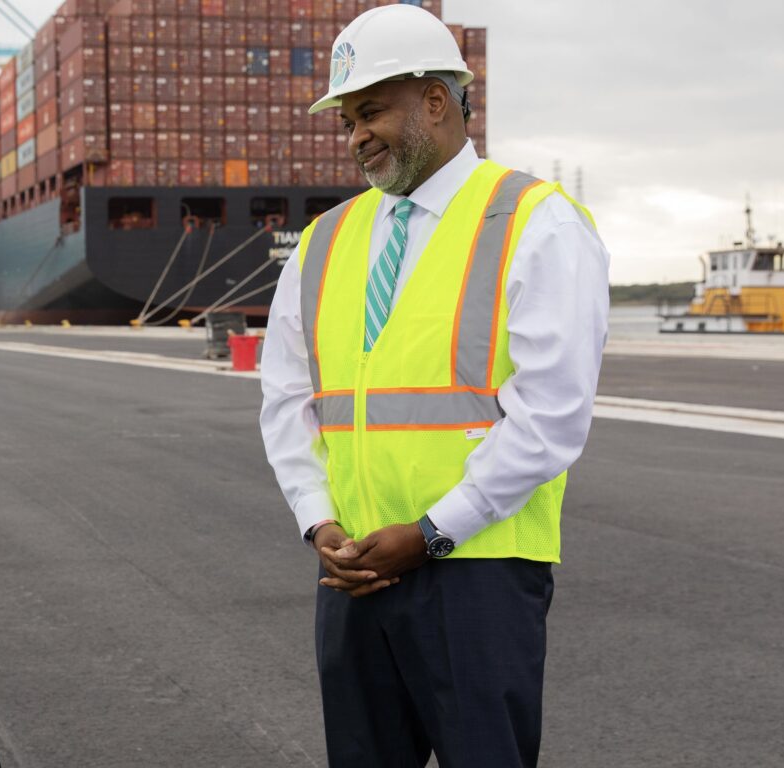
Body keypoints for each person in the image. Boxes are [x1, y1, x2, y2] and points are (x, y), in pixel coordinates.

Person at [258, 5, 610, 767]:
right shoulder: (324, 241)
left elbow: (550, 416)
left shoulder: (538, 223)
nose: (355, 137)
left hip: (478, 575)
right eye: (347, 119)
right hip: (352, 575)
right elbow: (286, 399)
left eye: (371, 111)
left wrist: (431, 533)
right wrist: (319, 525)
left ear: (437, 101)